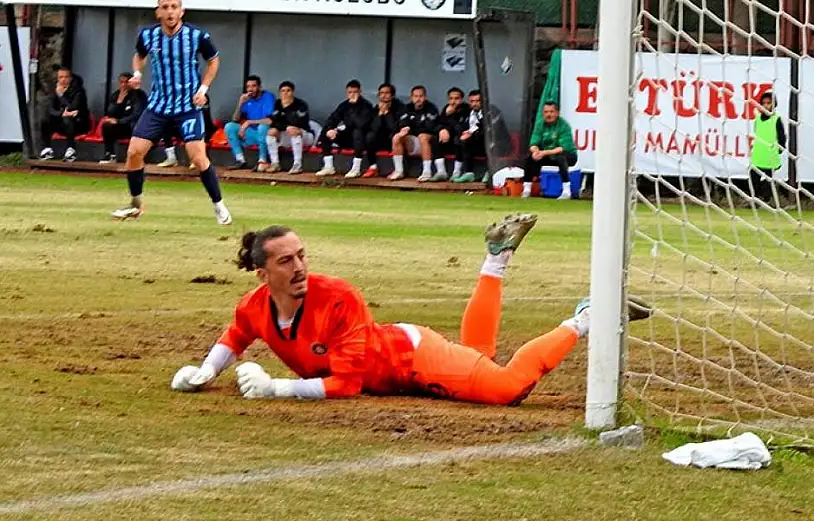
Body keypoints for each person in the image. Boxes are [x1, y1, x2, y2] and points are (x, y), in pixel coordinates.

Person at [169, 214, 652, 403]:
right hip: (404, 361)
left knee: (505, 388)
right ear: (263, 274)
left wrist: (278, 387)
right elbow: (234, 337)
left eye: (302, 255)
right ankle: (497, 257)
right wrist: (205, 372)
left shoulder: (339, 296)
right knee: (477, 354)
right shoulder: (254, 304)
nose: (299, 266)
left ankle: (587, 316)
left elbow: (347, 384)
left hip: (412, 358)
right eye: (286, 260)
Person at [110, 0, 232, 225]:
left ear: (181, 11)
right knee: (134, 152)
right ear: (158, 13)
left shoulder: (196, 36)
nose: (170, 11)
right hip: (158, 105)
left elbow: (213, 60)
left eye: (174, 6)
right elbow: (139, 55)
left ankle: (219, 206)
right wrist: (137, 73)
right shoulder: (148, 35)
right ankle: (135, 205)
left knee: (197, 157)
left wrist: (203, 89)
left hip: (187, 105)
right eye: (165, 7)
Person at [316, 80, 375, 179]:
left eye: (355, 92)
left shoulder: (366, 105)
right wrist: (331, 129)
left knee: (357, 132)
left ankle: (356, 168)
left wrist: (354, 106)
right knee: (326, 131)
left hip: (362, 138)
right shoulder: (344, 105)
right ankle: (328, 166)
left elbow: (360, 124)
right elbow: (333, 118)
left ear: (360, 92)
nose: (352, 95)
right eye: (350, 92)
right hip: (347, 136)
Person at [389, 85, 443, 182]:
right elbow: (403, 123)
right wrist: (405, 128)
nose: (418, 99)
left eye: (421, 96)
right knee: (397, 137)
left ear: (425, 97)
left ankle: (427, 171)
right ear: (411, 97)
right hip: (412, 142)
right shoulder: (407, 107)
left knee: (422, 136)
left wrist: (412, 126)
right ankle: (399, 170)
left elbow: (429, 127)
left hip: (428, 141)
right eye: (415, 96)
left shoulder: (431, 108)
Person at [524, 102, 577, 200]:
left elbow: (562, 148)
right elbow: (533, 143)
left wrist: (543, 153)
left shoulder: (563, 125)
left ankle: (566, 191)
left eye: (551, 112)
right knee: (529, 158)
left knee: (561, 158)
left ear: (557, 113)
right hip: (548, 155)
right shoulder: (540, 124)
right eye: (546, 112)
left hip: (568, 155)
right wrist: (535, 151)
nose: (549, 114)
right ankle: (526, 189)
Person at [224, 75, 277, 171]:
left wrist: (248, 122)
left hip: (267, 136)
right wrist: (240, 103)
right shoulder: (247, 100)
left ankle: (262, 161)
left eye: (253, 86)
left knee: (262, 127)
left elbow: (270, 120)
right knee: (229, 127)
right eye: (248, 87)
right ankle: (240, 160)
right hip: (253, 135)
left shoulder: (268, 96)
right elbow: (235, 120)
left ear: (260, 87)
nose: (250, 89)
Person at [39, 67, 89, 162]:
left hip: (79, 123)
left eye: (66, 77)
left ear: (70, 78)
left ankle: (71, 149)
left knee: (68, 119)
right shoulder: (55, 90)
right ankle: (47, 148)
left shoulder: (79, 91)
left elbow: (73, 107)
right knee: (45, 120)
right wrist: (62, 113)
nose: (63, 79)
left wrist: (61, 96)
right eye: (61, 77)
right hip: (62, 122)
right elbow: (50, 109)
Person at [264, 81, 314, 174]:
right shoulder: (278, 103)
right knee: (271, 132)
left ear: (293, 92)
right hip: (287, 135)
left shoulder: (301, 104)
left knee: (294, 130)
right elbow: (274, 122)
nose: (285, 93)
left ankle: (297, 165)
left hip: (304, 135)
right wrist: (285, 126)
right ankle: (275, 163)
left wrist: (287, 108)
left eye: (288, 91)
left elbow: (299, 123)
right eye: (283, 91)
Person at [99, 72, 148, 164]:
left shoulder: (139, 95)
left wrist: (119, 121)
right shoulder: (115, 95)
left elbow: (137, 114)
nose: (123, 85)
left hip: (134, 126)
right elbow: (110, 113)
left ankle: (136, 156)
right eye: (121, 82)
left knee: (135, 125)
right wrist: (119, 101)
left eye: (126, 82)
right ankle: (110, 154)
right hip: (122, 126)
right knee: (107, 126)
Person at [749, 92, 787, 206]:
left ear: (774, 105)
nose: (766, 105)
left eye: (769, 103)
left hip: (771, 155)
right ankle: (755, 200)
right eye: (764, 103)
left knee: (768, 180)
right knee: (753, 178)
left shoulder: (777, 119)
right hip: (758, 155)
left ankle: (766, 199)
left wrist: (779, 150)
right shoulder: (757, 119)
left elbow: (782, 137)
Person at [362, 83, 402, 178]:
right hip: (380, 140)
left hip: (394, 141)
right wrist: (380, 114)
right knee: (369, 136)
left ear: (392, 95)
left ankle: (398, 170)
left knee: (395, 136)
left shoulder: (400, 107)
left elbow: (395, 128)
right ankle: (373, 166)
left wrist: (387, 113)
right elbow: (373, 128)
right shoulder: (376, 109)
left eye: (387, 93)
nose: (384, 96)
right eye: (381, 93)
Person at [452, 89, 487, 183]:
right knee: (459, 139)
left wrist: (471, 134)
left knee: (484, 141)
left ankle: (489, 172)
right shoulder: (468, 112)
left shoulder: (490, 112)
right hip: (475, 143)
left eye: (477, 101)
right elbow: (460, 126)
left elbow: (487, 130)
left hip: (493, 144)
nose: (475, 104)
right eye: (472, 101)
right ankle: (468, 173)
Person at [436, 87, 468, 181]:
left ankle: (457, 171)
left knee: (458, 139)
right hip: (448, 141)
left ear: (461, 99)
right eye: (451, 98)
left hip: (462, 142)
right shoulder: (446, 108)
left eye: (456, 99)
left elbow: (461, 129)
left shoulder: (466, 109)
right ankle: (441, 171)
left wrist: (449, 117)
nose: (453, 101)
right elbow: (438, 124)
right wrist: (442, 129)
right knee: (435, 138)